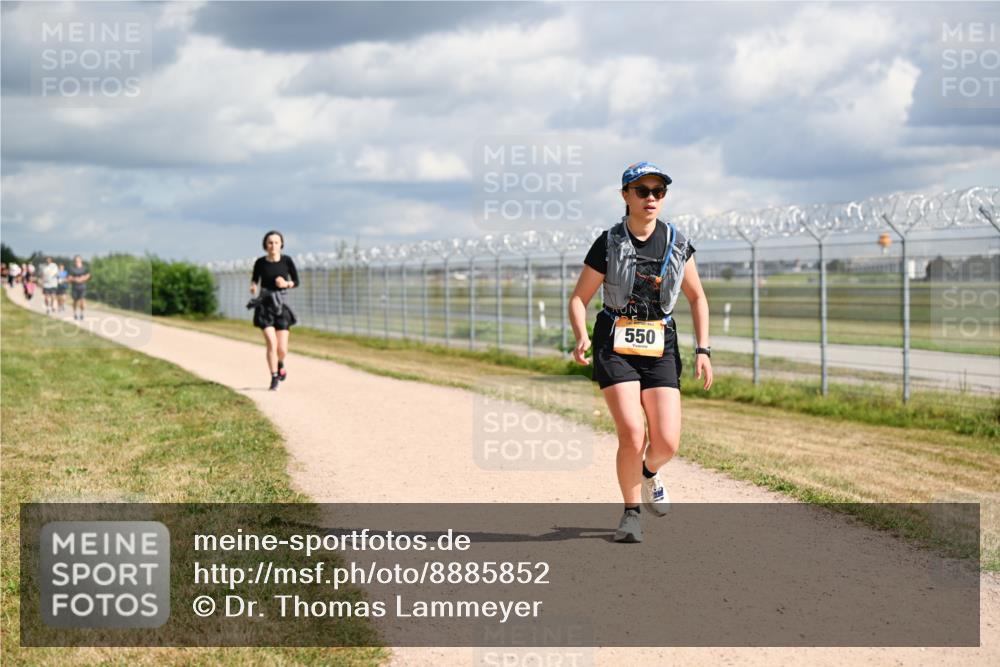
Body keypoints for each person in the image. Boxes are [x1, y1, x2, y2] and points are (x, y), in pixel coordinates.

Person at [569, 161, 713, 543]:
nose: (651, 198)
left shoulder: (678, 243)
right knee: (632, 433)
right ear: (625, 196)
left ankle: (648, 472)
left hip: (660, 344)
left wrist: (703, 349)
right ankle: (631, 513)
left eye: (658, 192)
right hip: (615, 342)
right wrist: (581, 334)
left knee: (666, 442)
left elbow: (697, 298)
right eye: (642, 191)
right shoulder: (609, 242)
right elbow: (579, 299)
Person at [249, 230, 299, 391]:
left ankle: (280, 363)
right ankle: (274, 377)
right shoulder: (260, 262)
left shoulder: (287, 261)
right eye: (270, 242)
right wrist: (253, 286)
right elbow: (255, 278)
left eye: (276, 242)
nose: (273, 245)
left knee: (282, 349)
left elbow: (296, 281)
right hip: (265, 305)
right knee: (271, 342)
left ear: (281, 244)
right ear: (265, 245)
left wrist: (285, 283)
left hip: (281, 305)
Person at [67, 255, 90, 320]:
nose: (77, 262)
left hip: (82, 287)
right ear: (74, 261)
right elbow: (69, 277)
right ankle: (75, 313)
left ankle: (82, 313)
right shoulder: (72, 269)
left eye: (78, 260)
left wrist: (83, 279)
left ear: (81, 261)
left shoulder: (85, 268)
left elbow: (88, 275)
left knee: (82, 301)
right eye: (76, 261)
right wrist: (75, 279)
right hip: (75, 287)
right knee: (75, 301)